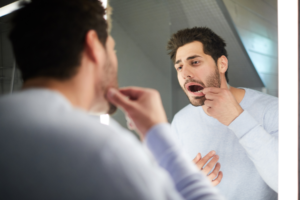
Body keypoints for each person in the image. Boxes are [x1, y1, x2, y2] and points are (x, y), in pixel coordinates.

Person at [0, 1, 226, 200]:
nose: (185, 72)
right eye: (112, 49)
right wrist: (160, 137)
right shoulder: (101, 150)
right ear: (94, 47)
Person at [167, 27, 278, 200]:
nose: (185, 73)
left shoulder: (273, 110)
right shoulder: (180, 121)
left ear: (222, 64)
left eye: (195, 62)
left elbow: (287, 181)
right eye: (179, 67)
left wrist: (238, 119)